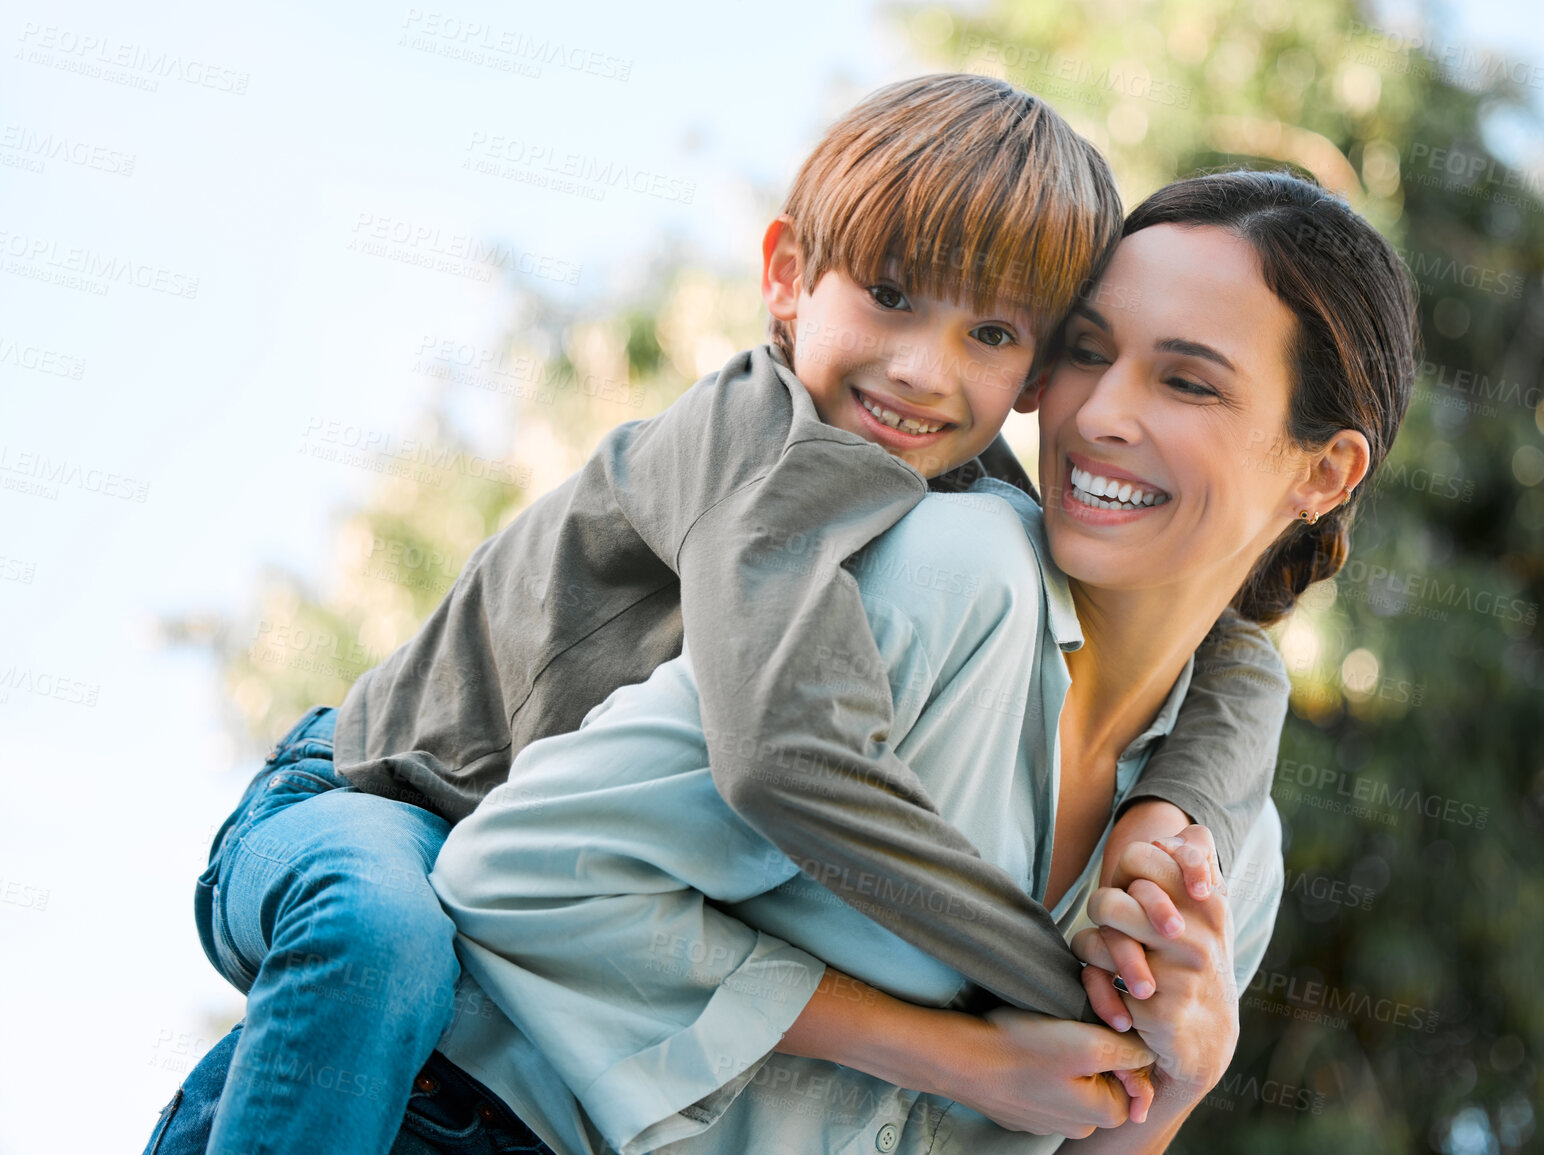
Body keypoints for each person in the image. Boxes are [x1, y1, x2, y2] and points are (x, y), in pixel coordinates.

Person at [143, 76, 1289, 1155]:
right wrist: (1050, 988)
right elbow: (787, 768)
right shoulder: (759, 450)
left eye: (991, 335)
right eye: (890, 296)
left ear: (1033, 376)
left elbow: (1224, 650)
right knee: (380, 942)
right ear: (787, 275)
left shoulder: (961, 482)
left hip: (502, 925)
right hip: (373, 802)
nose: (922, 372)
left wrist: (1173, 804)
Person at [406, 168, 1422, 1153]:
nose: (1098, 416)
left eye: (1188, 382)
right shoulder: (960, 576)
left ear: (1324, 472)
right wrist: (953, 1055)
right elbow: (524, 873)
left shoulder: (1233, 861)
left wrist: (1179, 1082)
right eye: (1085, 352)